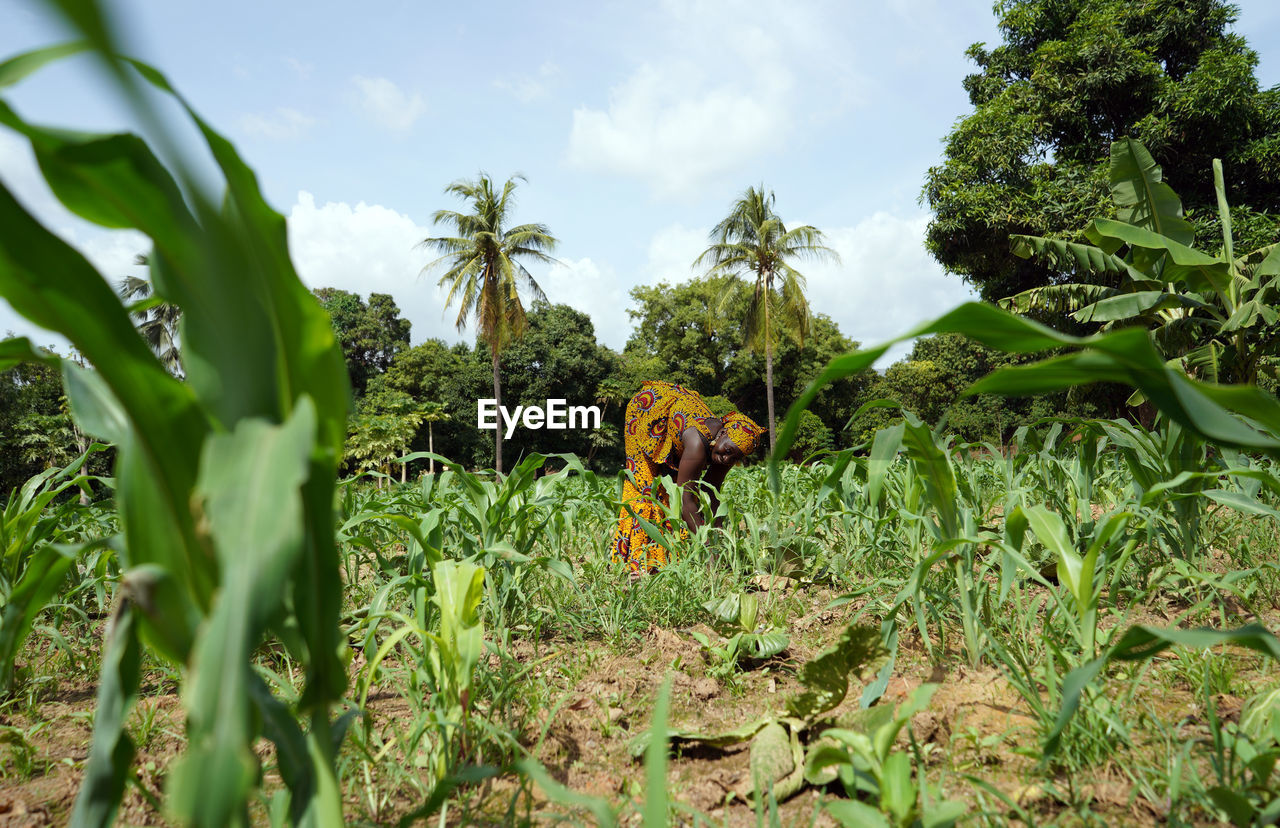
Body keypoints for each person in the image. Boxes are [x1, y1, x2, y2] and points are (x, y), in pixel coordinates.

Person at [610, 381, 763, 573]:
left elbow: (711, 492)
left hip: (676, 427)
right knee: (645, 486)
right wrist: (707, 547)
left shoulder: (727, 452)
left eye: (735, 458)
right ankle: (635, 563)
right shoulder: (697, 444)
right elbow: (685, 499)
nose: (726, 458)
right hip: (648, 410)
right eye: (728, 451)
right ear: (723, 433)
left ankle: (669, 557)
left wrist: (716, 537)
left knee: (674, 484)